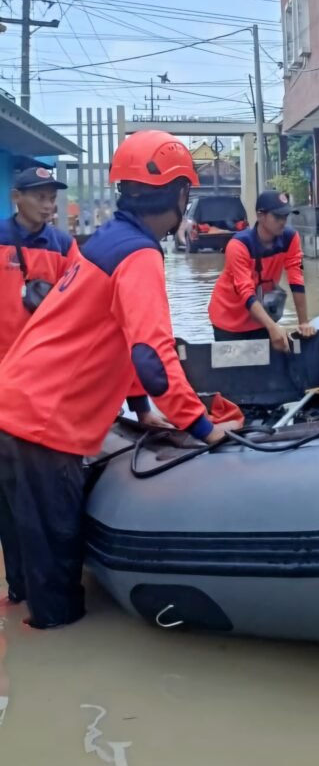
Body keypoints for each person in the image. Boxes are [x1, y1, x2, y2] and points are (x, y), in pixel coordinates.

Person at [0, 130, 239, 629]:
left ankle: (28, 634)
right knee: (58, 587)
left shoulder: (105, 241)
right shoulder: (140, 255)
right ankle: (56, 657)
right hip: (45, 425)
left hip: (15, 405)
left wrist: (140, 411)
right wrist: (203, 428)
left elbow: (112, 335)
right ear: (179, 195)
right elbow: (152, 357)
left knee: (25, 560)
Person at [208, 190, 315, 351]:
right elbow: (246, 292)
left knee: (269, 369)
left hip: (262, 317)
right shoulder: (238, 246)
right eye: (277, 217)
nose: (283, 222)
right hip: (229, 319)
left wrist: (304, 322)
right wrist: (272, 327)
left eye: (285, 217)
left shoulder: (291, 238)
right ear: (260, 216)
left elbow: (297, 277)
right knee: (235, 372)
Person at [0, 167, 79, 361]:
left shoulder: (64, 245)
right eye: (40, 198)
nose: (47, 206)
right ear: (16, 197)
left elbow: (77, 296)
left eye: (51, 199)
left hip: (44, 357)